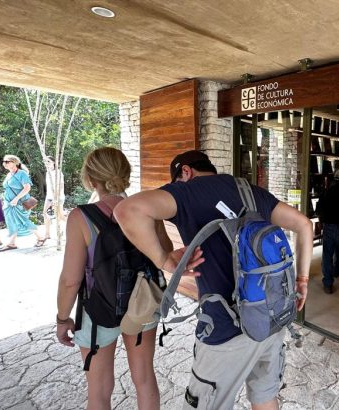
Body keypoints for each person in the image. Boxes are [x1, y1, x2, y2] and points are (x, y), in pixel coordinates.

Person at [114, 150, 313, 410]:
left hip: (226, 330)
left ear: (185, 172)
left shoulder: (187, 192)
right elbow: (304, 225)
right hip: (271, 316)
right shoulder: (249, 191)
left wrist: (164, 261)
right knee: (264, 397)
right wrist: (302, 280)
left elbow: (127, 210)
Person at [55, 147, 202, 410]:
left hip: (98, 311)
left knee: (99, 390)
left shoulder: (81, 217)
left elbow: (70, 279)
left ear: (91, 179)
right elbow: (164, 255)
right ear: (126, 174)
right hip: (143, 303)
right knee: (144, 378)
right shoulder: (146, 210)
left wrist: (62, 317)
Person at [0, 155, 46, 251]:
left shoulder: (22, 174)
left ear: (15, 162)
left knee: (23, 221)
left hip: (19, 202)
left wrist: (16, 199)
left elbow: (27, 188)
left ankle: (41, 237)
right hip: (9, 203)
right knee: (12, 222)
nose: (6, 163)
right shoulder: (9, 174)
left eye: (8, 161)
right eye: (5, 162)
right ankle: (12, 243)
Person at [42, 155, 66, 242]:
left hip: (58, 197)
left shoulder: (58, 172)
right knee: (45, 213)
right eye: (45, 162)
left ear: (54, 162)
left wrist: (56, 198)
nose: (47, 163)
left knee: (60, 216)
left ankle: (74, 225)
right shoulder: (47, 173)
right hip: (49, 197)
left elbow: (61, 186)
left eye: (49, 161)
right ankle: (47, 234)